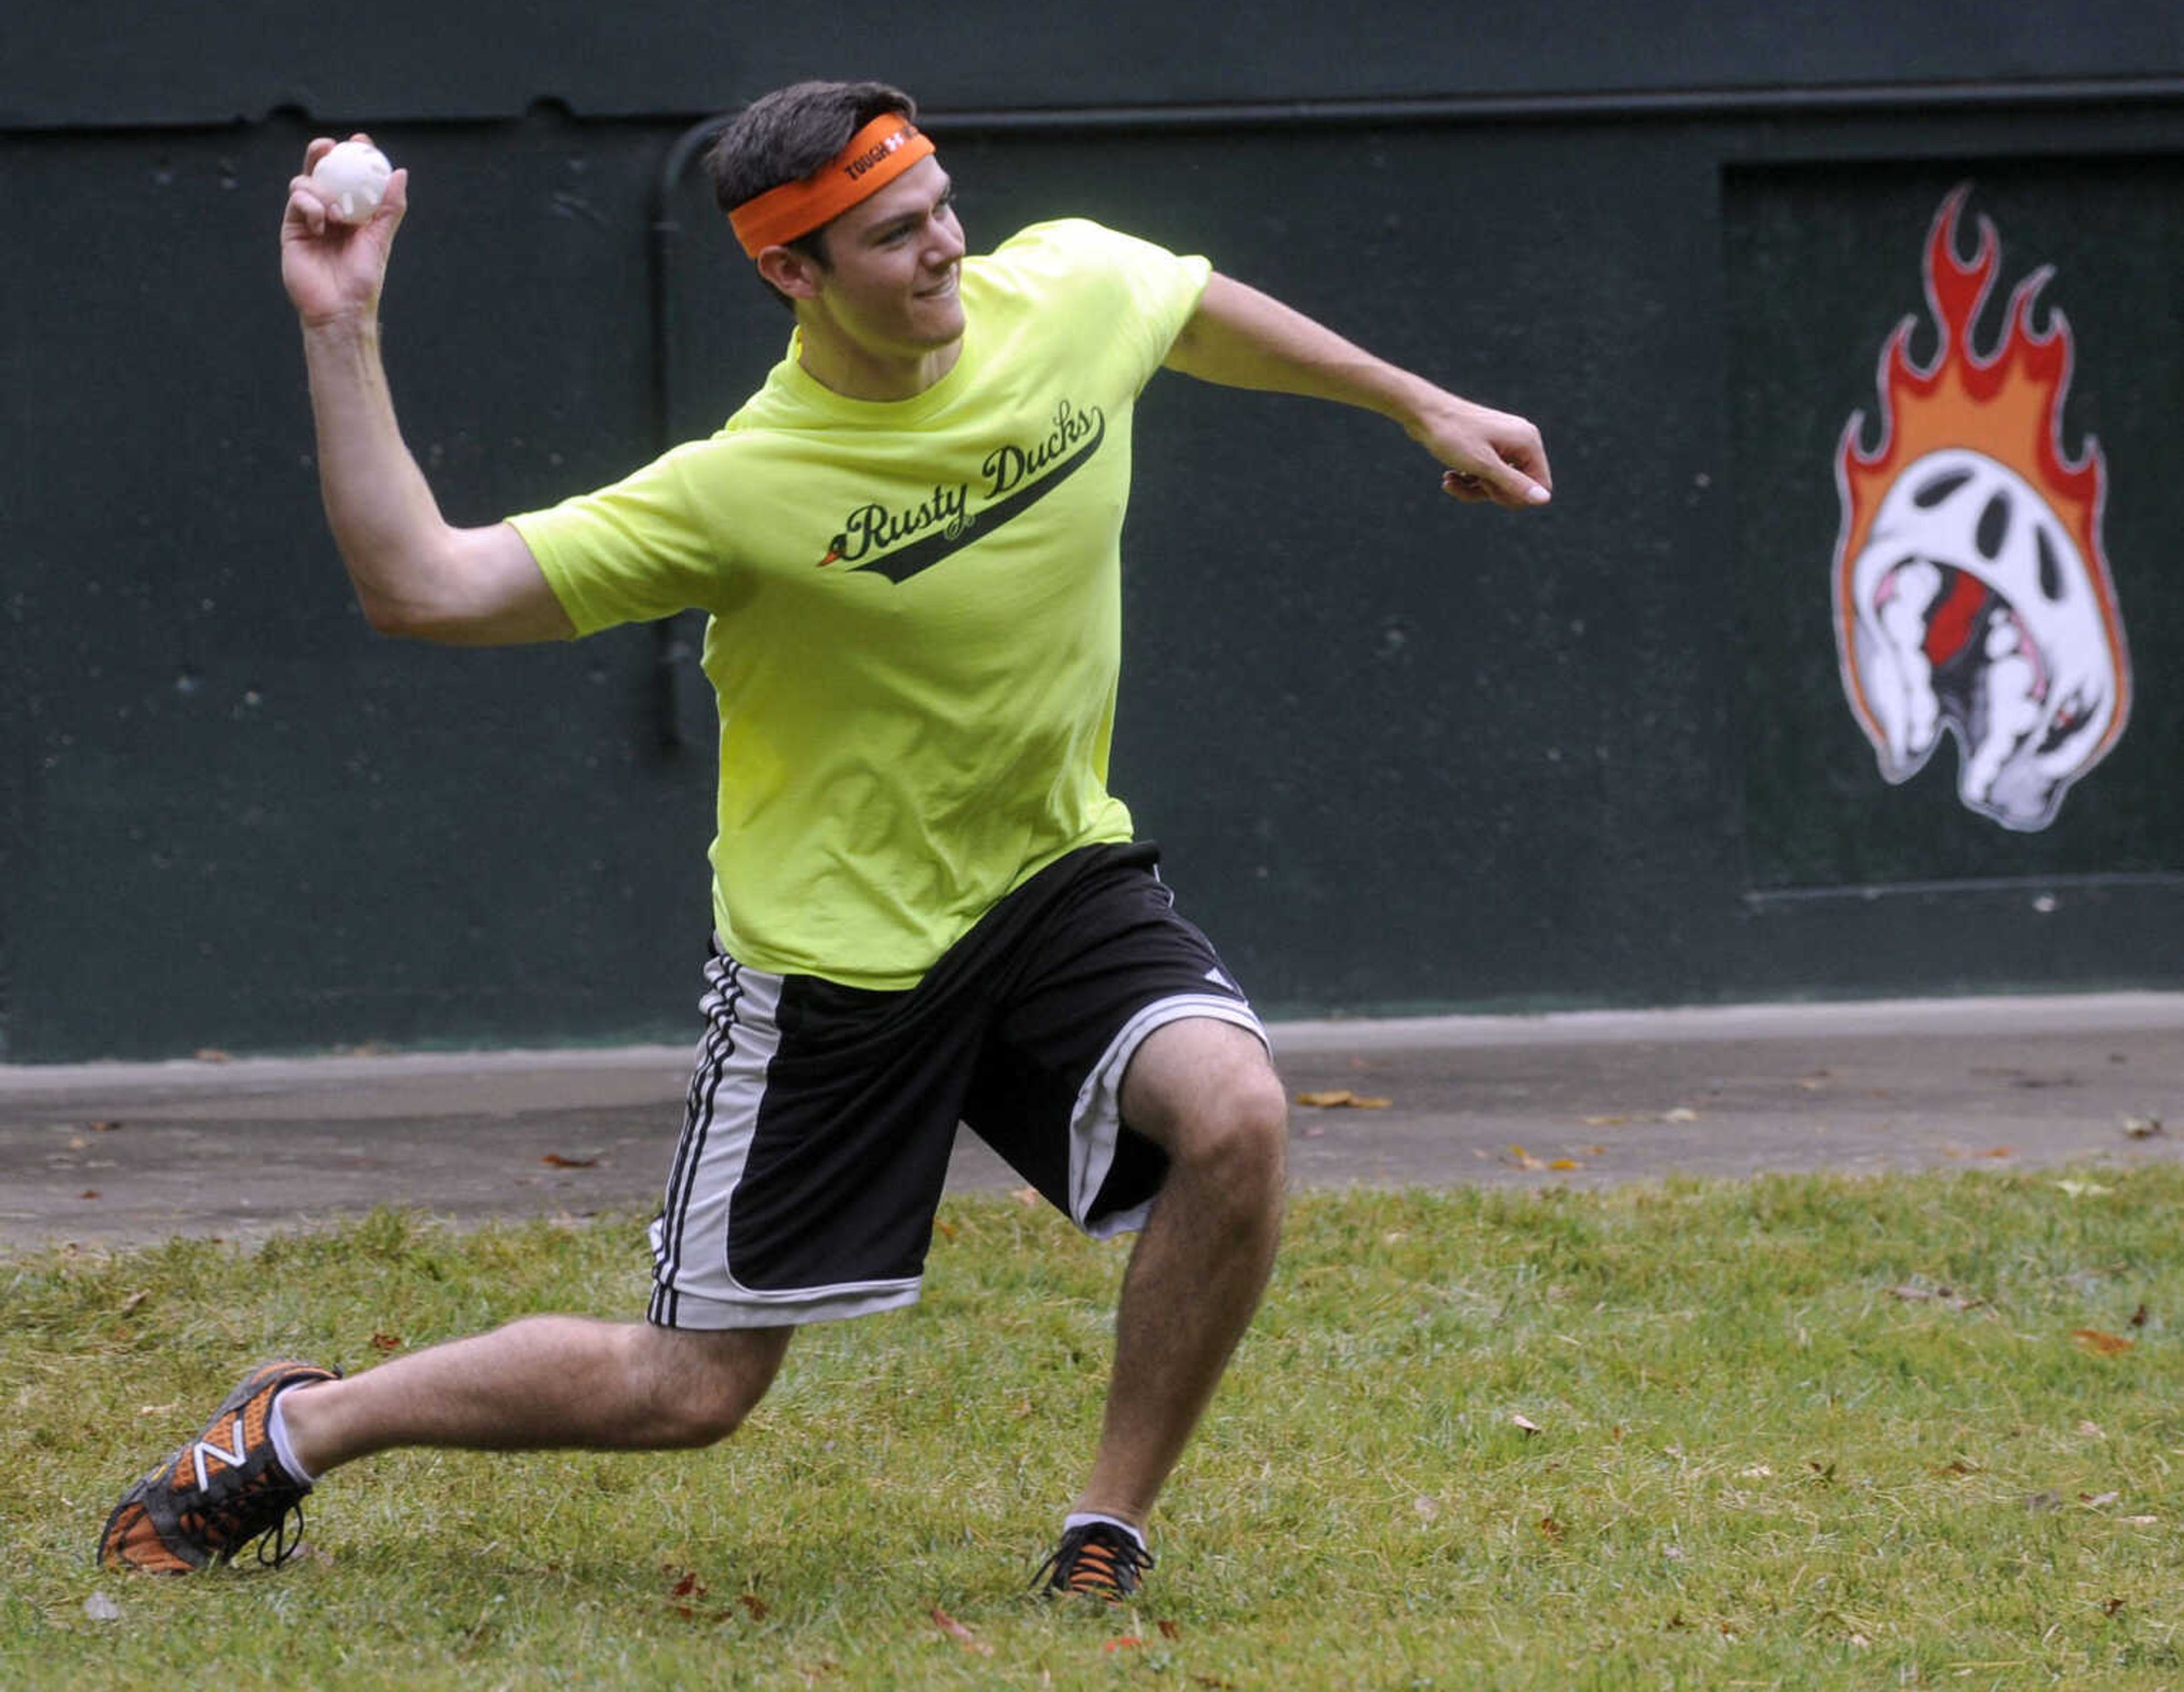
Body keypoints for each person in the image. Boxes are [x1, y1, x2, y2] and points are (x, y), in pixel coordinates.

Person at [97, 79, 1551, 1599]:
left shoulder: (1062, 288)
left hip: (1052, 876)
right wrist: (340, 323)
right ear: (794, 270)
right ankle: (301, 1423)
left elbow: (1184, 307)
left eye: (941, 208)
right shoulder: (746, 488)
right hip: (839, 959)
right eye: (894, 236)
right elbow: (424, 583)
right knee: (695, 1386)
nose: (943, 249)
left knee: (1239, 1113)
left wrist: (1413, 399)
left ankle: (1104, 1533)